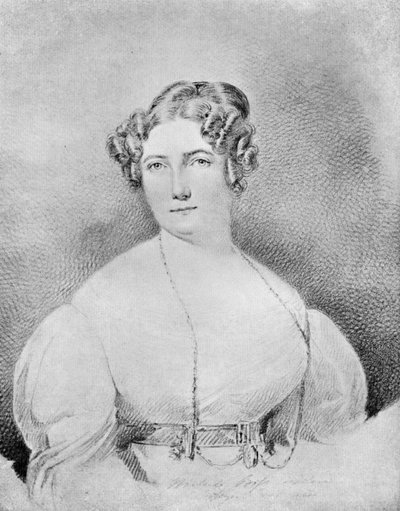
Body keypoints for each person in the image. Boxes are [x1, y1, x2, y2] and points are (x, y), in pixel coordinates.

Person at [13, 81, 367, 510]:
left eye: (198, 161)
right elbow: (77, 474)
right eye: (156, 165)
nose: (177, 188)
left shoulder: (287, 307)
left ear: (234, 166)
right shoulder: (100, 306)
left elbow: (324, 455)